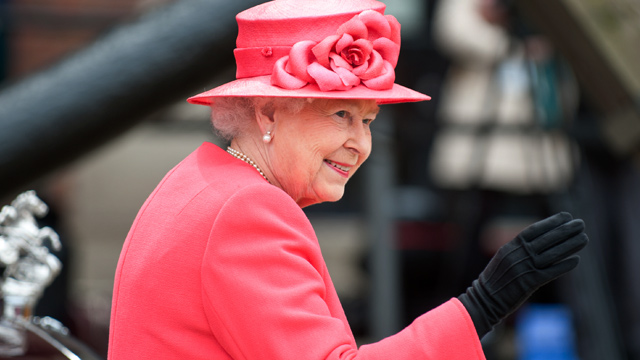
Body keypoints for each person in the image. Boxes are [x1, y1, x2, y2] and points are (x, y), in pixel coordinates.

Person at [107, 1, 588, 359]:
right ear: (269, 112)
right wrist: (481, 305)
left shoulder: (199, 181)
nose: (361, 143)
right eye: (341, 114)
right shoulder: (247, 211)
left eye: (369, 120)